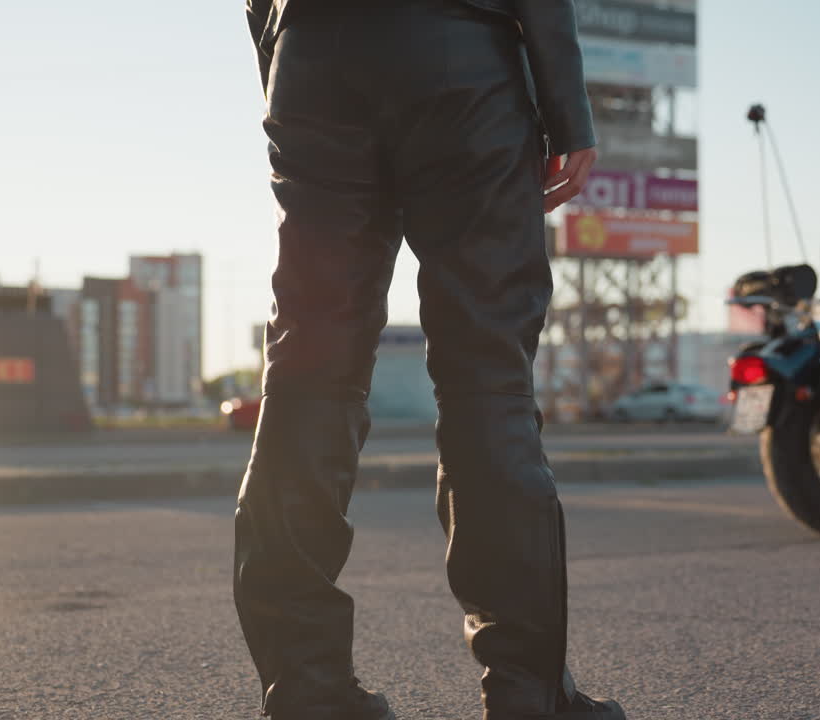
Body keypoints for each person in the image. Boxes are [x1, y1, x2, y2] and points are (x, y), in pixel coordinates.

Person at [234, 1, 625, 719]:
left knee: (307, 371)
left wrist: (287, 63)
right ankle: (525, 694)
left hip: (311, 57)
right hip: (461, 59)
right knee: (487, 375)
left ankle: (306, 692)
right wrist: (567, 112)